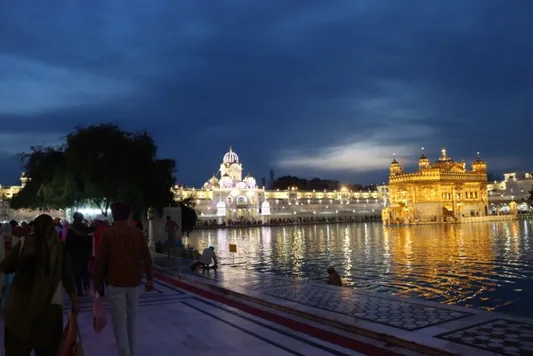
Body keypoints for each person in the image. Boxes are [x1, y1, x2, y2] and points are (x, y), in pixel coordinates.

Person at [0, 214, 79, 355]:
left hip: (20, 309)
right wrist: (75, 303)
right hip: (50, 310)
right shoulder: (59, 248)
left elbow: (6, 266)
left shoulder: (24, 243)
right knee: (48, 351)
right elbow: (68, 278)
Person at [93, 202, 154, 356]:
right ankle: (133, 352)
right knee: (132, 318)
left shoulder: (108, 233)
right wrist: (150, 279)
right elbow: (146, 258)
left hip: (116, 282)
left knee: (119, 321)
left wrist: (97, 282)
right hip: (134, 282)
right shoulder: (137, 233)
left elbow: (100, 261)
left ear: (114, 215)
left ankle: (124, 353)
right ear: (128, 215)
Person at [65, 212, 94, 296]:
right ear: (81, 218)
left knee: (76, 273)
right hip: (84, 253)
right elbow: (89, 240)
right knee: (85, 271)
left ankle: (79, 290)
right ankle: (86, 288)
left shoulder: (70, 229)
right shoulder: (85, 228)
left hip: (74, 253)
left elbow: (68, 243)